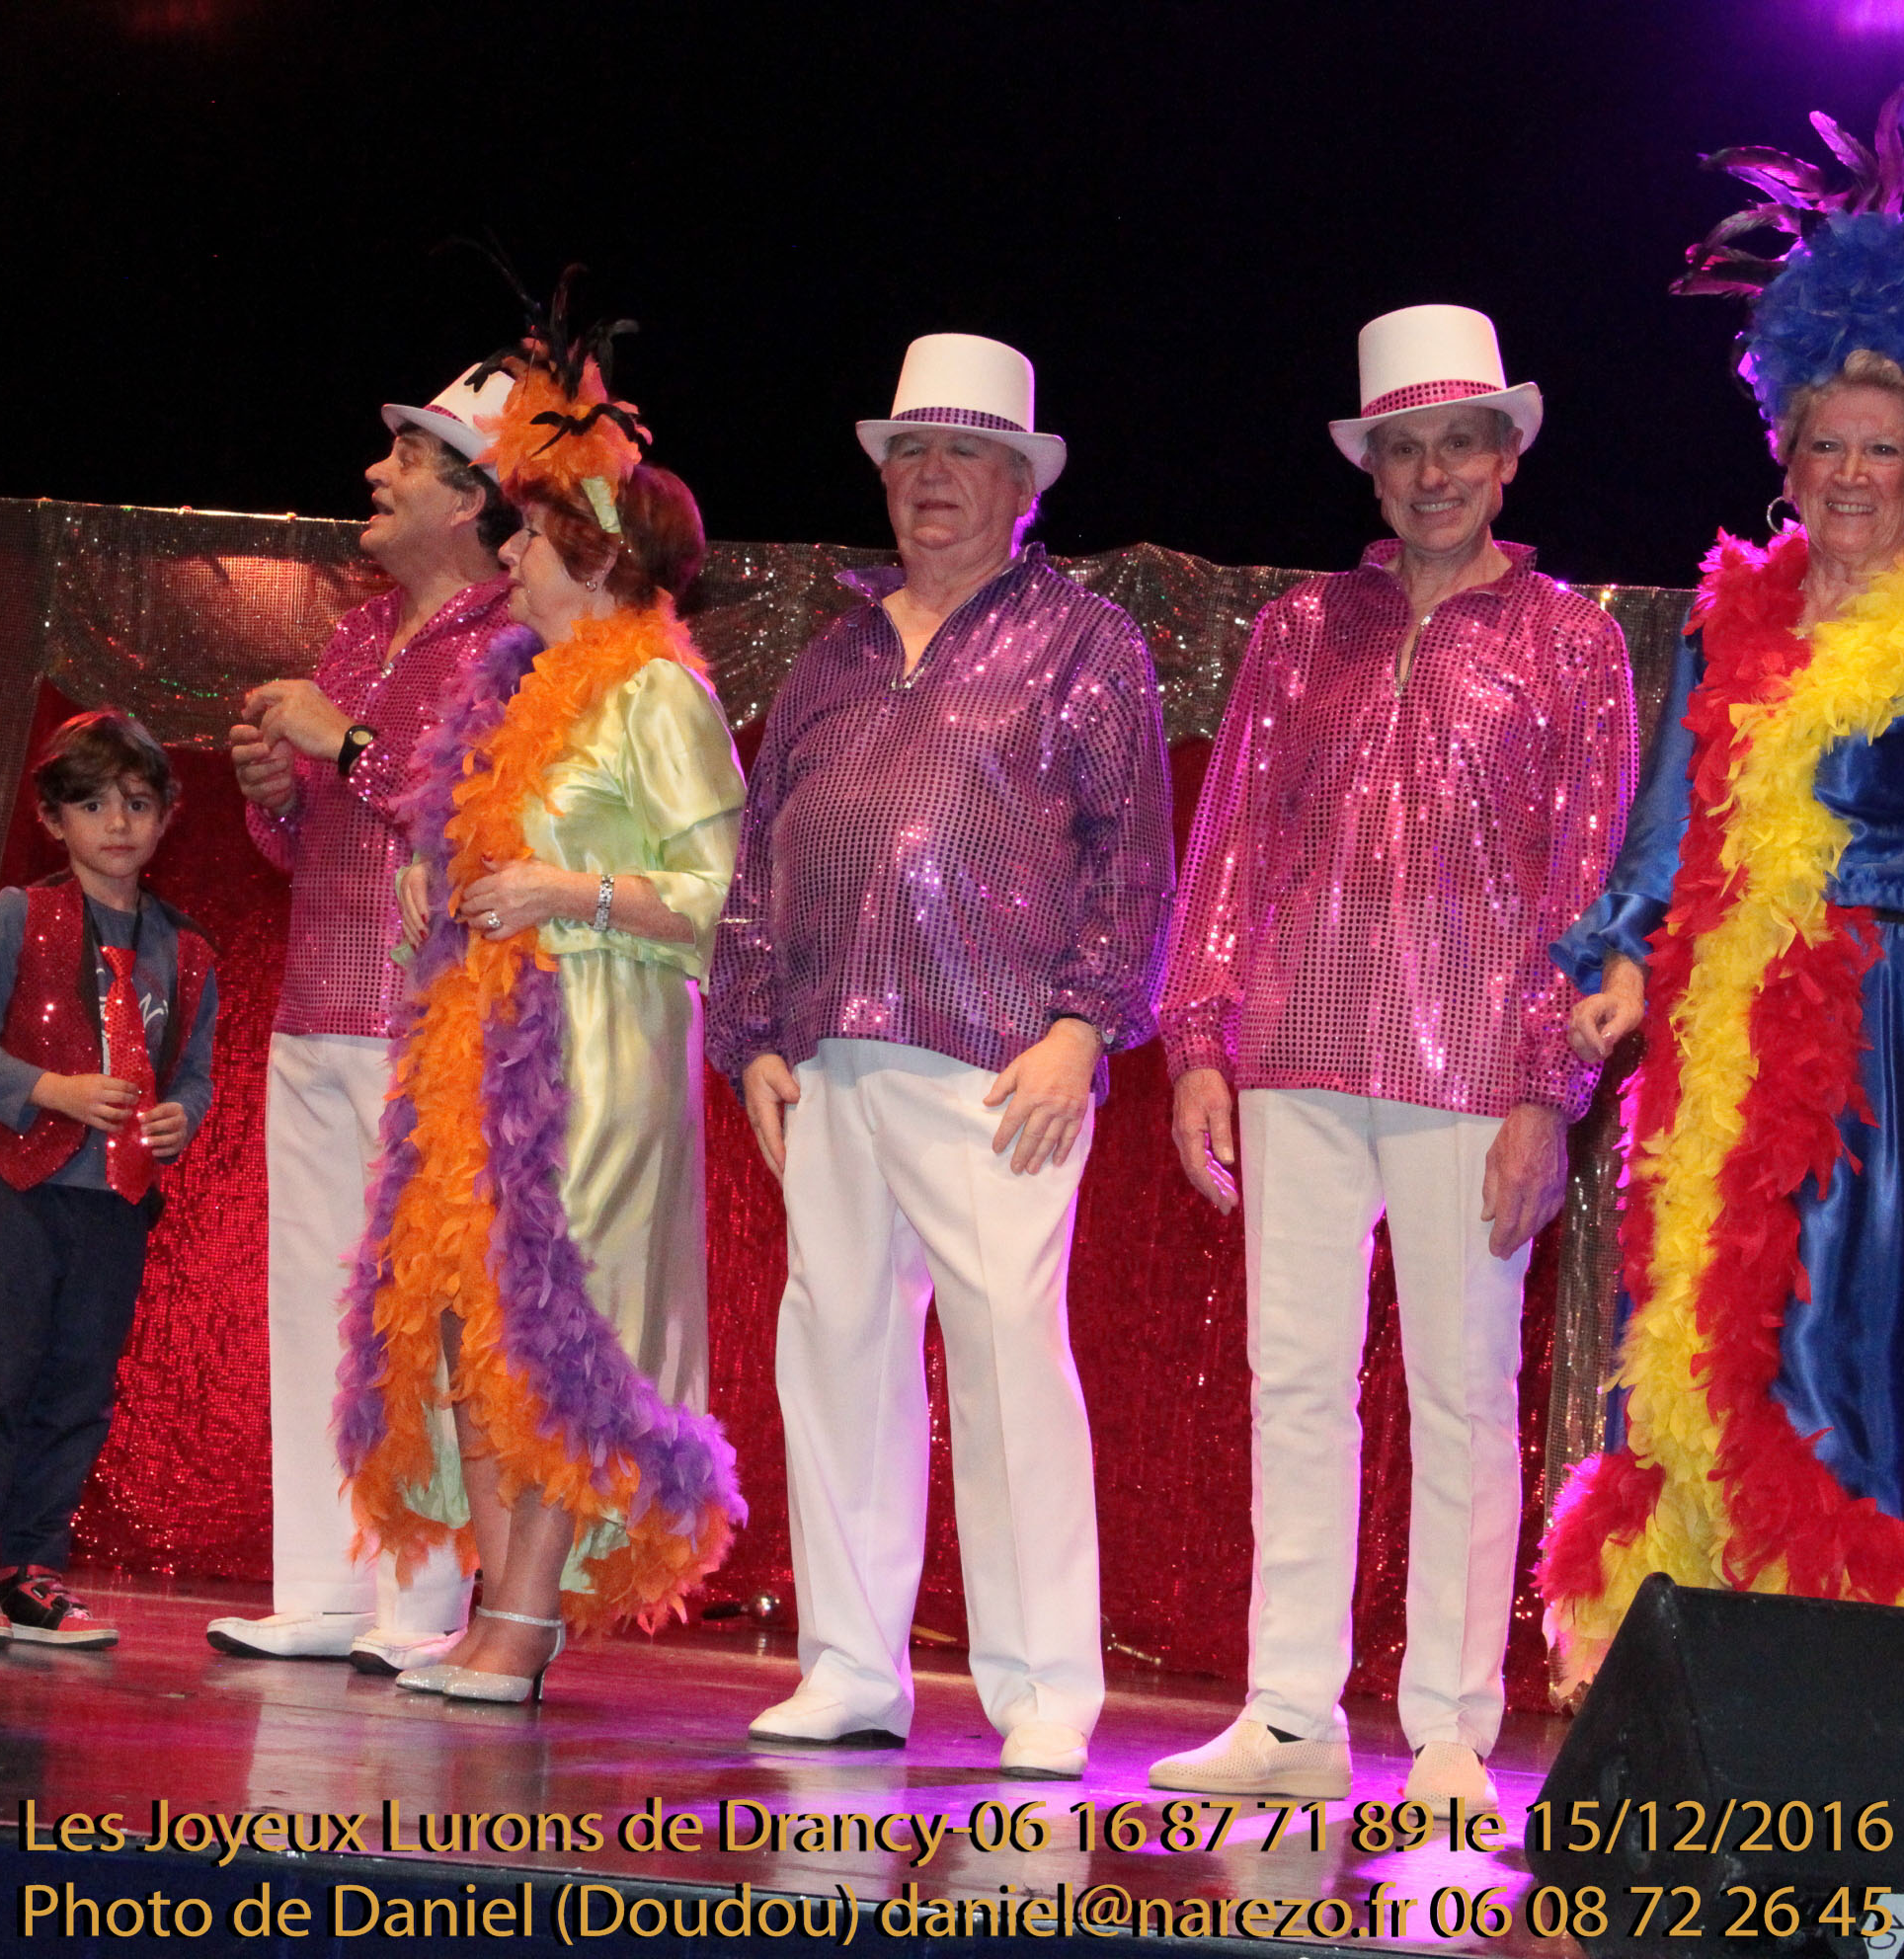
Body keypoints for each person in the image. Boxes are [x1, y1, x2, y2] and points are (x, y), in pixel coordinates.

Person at [1540, 91, 1904, 1684]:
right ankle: (1689, 1671)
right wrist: (1626, 959)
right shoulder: (1728, 622)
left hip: (1886, 1029)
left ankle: (1861, 1679)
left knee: (1848, 1338)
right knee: (1692, 1329)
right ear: (1787, 457)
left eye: (1884, 448)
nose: (1852, 474)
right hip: (1717, 1020)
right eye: (1828, 446)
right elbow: (1672, 819)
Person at [1148, 307, 1638, 1809]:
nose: (1432, 474)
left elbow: (1591, 882)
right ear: (1371, 469)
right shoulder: (1302, 632)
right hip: (1297, 1045)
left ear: (1507, 460)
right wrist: (1199, 1040)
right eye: (1405, 449)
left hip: (1471, 1068)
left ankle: (1449, 1729)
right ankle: (1289, 1713)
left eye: (1458, 446)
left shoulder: (1571, 642)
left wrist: (1546, 1090)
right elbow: (1232, 843)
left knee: (1461, 1392)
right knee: (1294, 1378)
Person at [707, 332, 1174, 1780]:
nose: (931, 477)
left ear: (1022, 486)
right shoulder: (833, 656)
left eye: (965, 452)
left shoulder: (1087, 644)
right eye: (911, 451)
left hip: (997, 1058)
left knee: (1007, 1362)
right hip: (828, 1053)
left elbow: (1133, 858)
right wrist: (751, 1033)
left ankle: (1043, 1688)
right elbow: (759, 855)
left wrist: (1082, 1027)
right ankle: (852, 1666)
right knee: (836, 1349)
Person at [331, 281, 747, 1703]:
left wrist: (572, 892)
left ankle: (523, 1622)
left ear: (595, 552)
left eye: (527, 531)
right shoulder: (513, 689)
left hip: (599, 1049)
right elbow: (480, 842)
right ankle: (494, 1614)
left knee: (551, 1328)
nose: (506, 552)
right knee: (466, 1320)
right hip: (484, 1046)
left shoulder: (658, 695)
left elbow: (719, 898)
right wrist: (434, 879)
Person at [203, 369, 531, 1673]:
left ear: (469, 499)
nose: (374, 475)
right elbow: (304, 846)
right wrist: (275, 793)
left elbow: (474, 818)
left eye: (404, 459)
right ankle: (323, 1587)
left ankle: (424, 1601)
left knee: (428, 1308)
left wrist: (341, 746)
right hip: (316, 1006)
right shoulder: (356, 635)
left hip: (432, 1022)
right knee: (317, 1301)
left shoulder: (512, 639)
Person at [0, 711, 219, 1647]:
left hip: (117, 1198)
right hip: (18, 1183)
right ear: (52, 819)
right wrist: (54, 1090)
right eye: (91, 805)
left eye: (137, 804)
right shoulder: (17, 915)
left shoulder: (188, 950)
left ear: (167, 815)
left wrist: (182, 1118)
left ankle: (32, 1568)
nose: (117, 824)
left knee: (80, 1387)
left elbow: (194, 1073)